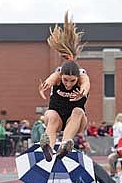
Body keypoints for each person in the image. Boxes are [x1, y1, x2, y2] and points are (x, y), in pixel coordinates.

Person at [37, 12, 90, 162]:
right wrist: (45, 85)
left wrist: (83, 92)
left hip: (75, 122)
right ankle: (48, 147)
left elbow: (86, 83)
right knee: (51, 115)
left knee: (78, 110)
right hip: (57, 118)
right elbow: (52, 78)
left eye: (72, 81)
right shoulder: (58, 75)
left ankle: (65, 145)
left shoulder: (82, 77)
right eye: (66, 80)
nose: (68, 84)